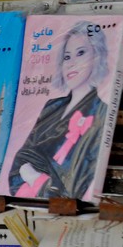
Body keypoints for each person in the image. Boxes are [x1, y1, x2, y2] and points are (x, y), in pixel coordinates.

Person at [6, 21, 112, 199]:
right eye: (67, 56)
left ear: (97, 55)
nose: (71, 64)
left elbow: (70, 189)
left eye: (81, 53)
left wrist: (33, 176)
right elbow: (20, 162)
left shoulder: (101, 112)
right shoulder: (52, 106)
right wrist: (41, 178)